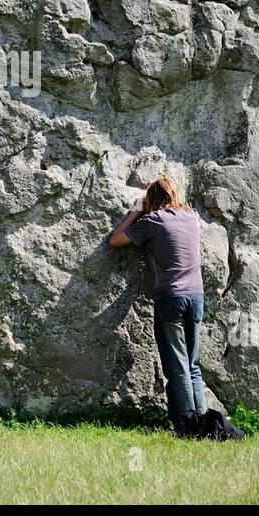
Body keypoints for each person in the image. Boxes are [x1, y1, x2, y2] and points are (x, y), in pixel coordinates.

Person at [109, 174, 209, 437]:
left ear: (153, 200)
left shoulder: (153, 221)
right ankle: (203, 424)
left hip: (171, 298)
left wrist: (135, 211)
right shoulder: (192, 216)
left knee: (177, 367)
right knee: (193, 365)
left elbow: (115, 240)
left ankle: (188, 429)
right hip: (196, 295)